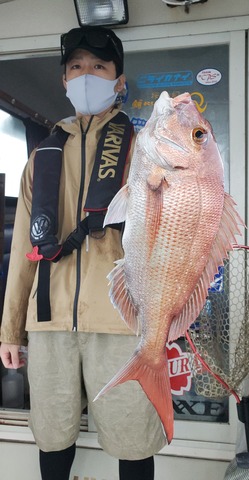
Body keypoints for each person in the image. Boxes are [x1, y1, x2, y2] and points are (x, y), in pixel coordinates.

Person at [0, 26, 166, 480]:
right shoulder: (42, 155)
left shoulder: (142, 149)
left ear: (119, 81)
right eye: (76, 67)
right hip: (50, 322)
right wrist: (11, 330)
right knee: (52, 435)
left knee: (133, 439)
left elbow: (167, 239)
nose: (86, 75)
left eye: (98, 66)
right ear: (64, 81)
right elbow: (22, 251)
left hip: (121, 322)